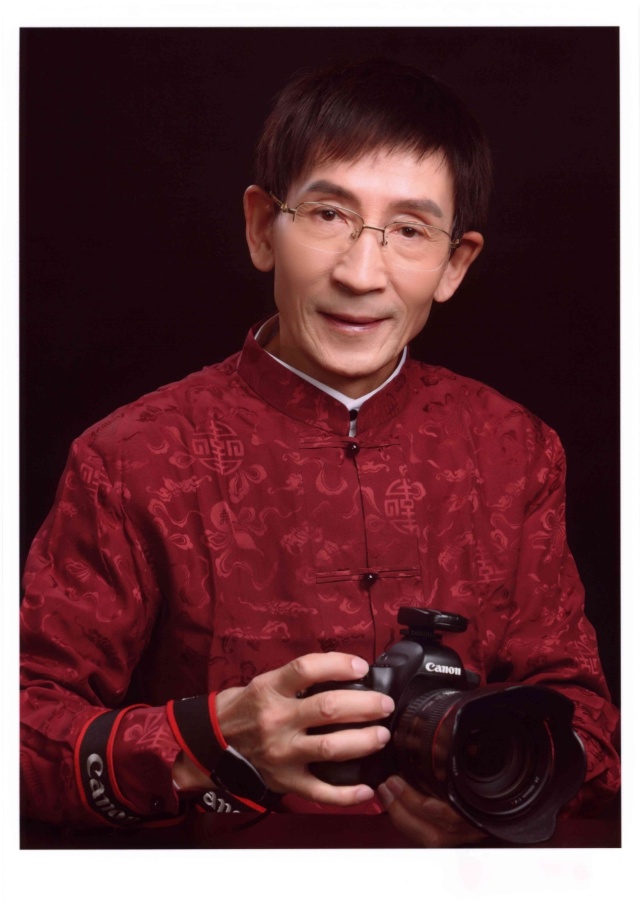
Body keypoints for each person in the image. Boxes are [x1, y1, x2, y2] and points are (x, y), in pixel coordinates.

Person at [20, 58, 620, 847]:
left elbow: (588, 720)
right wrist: (204, 739)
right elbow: (23, 725)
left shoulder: (516, 449)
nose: (361, 274)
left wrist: (501, 801)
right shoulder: (132, 455)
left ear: (455, 264)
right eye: (329, 214)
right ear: (260, 227)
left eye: (410, 230)